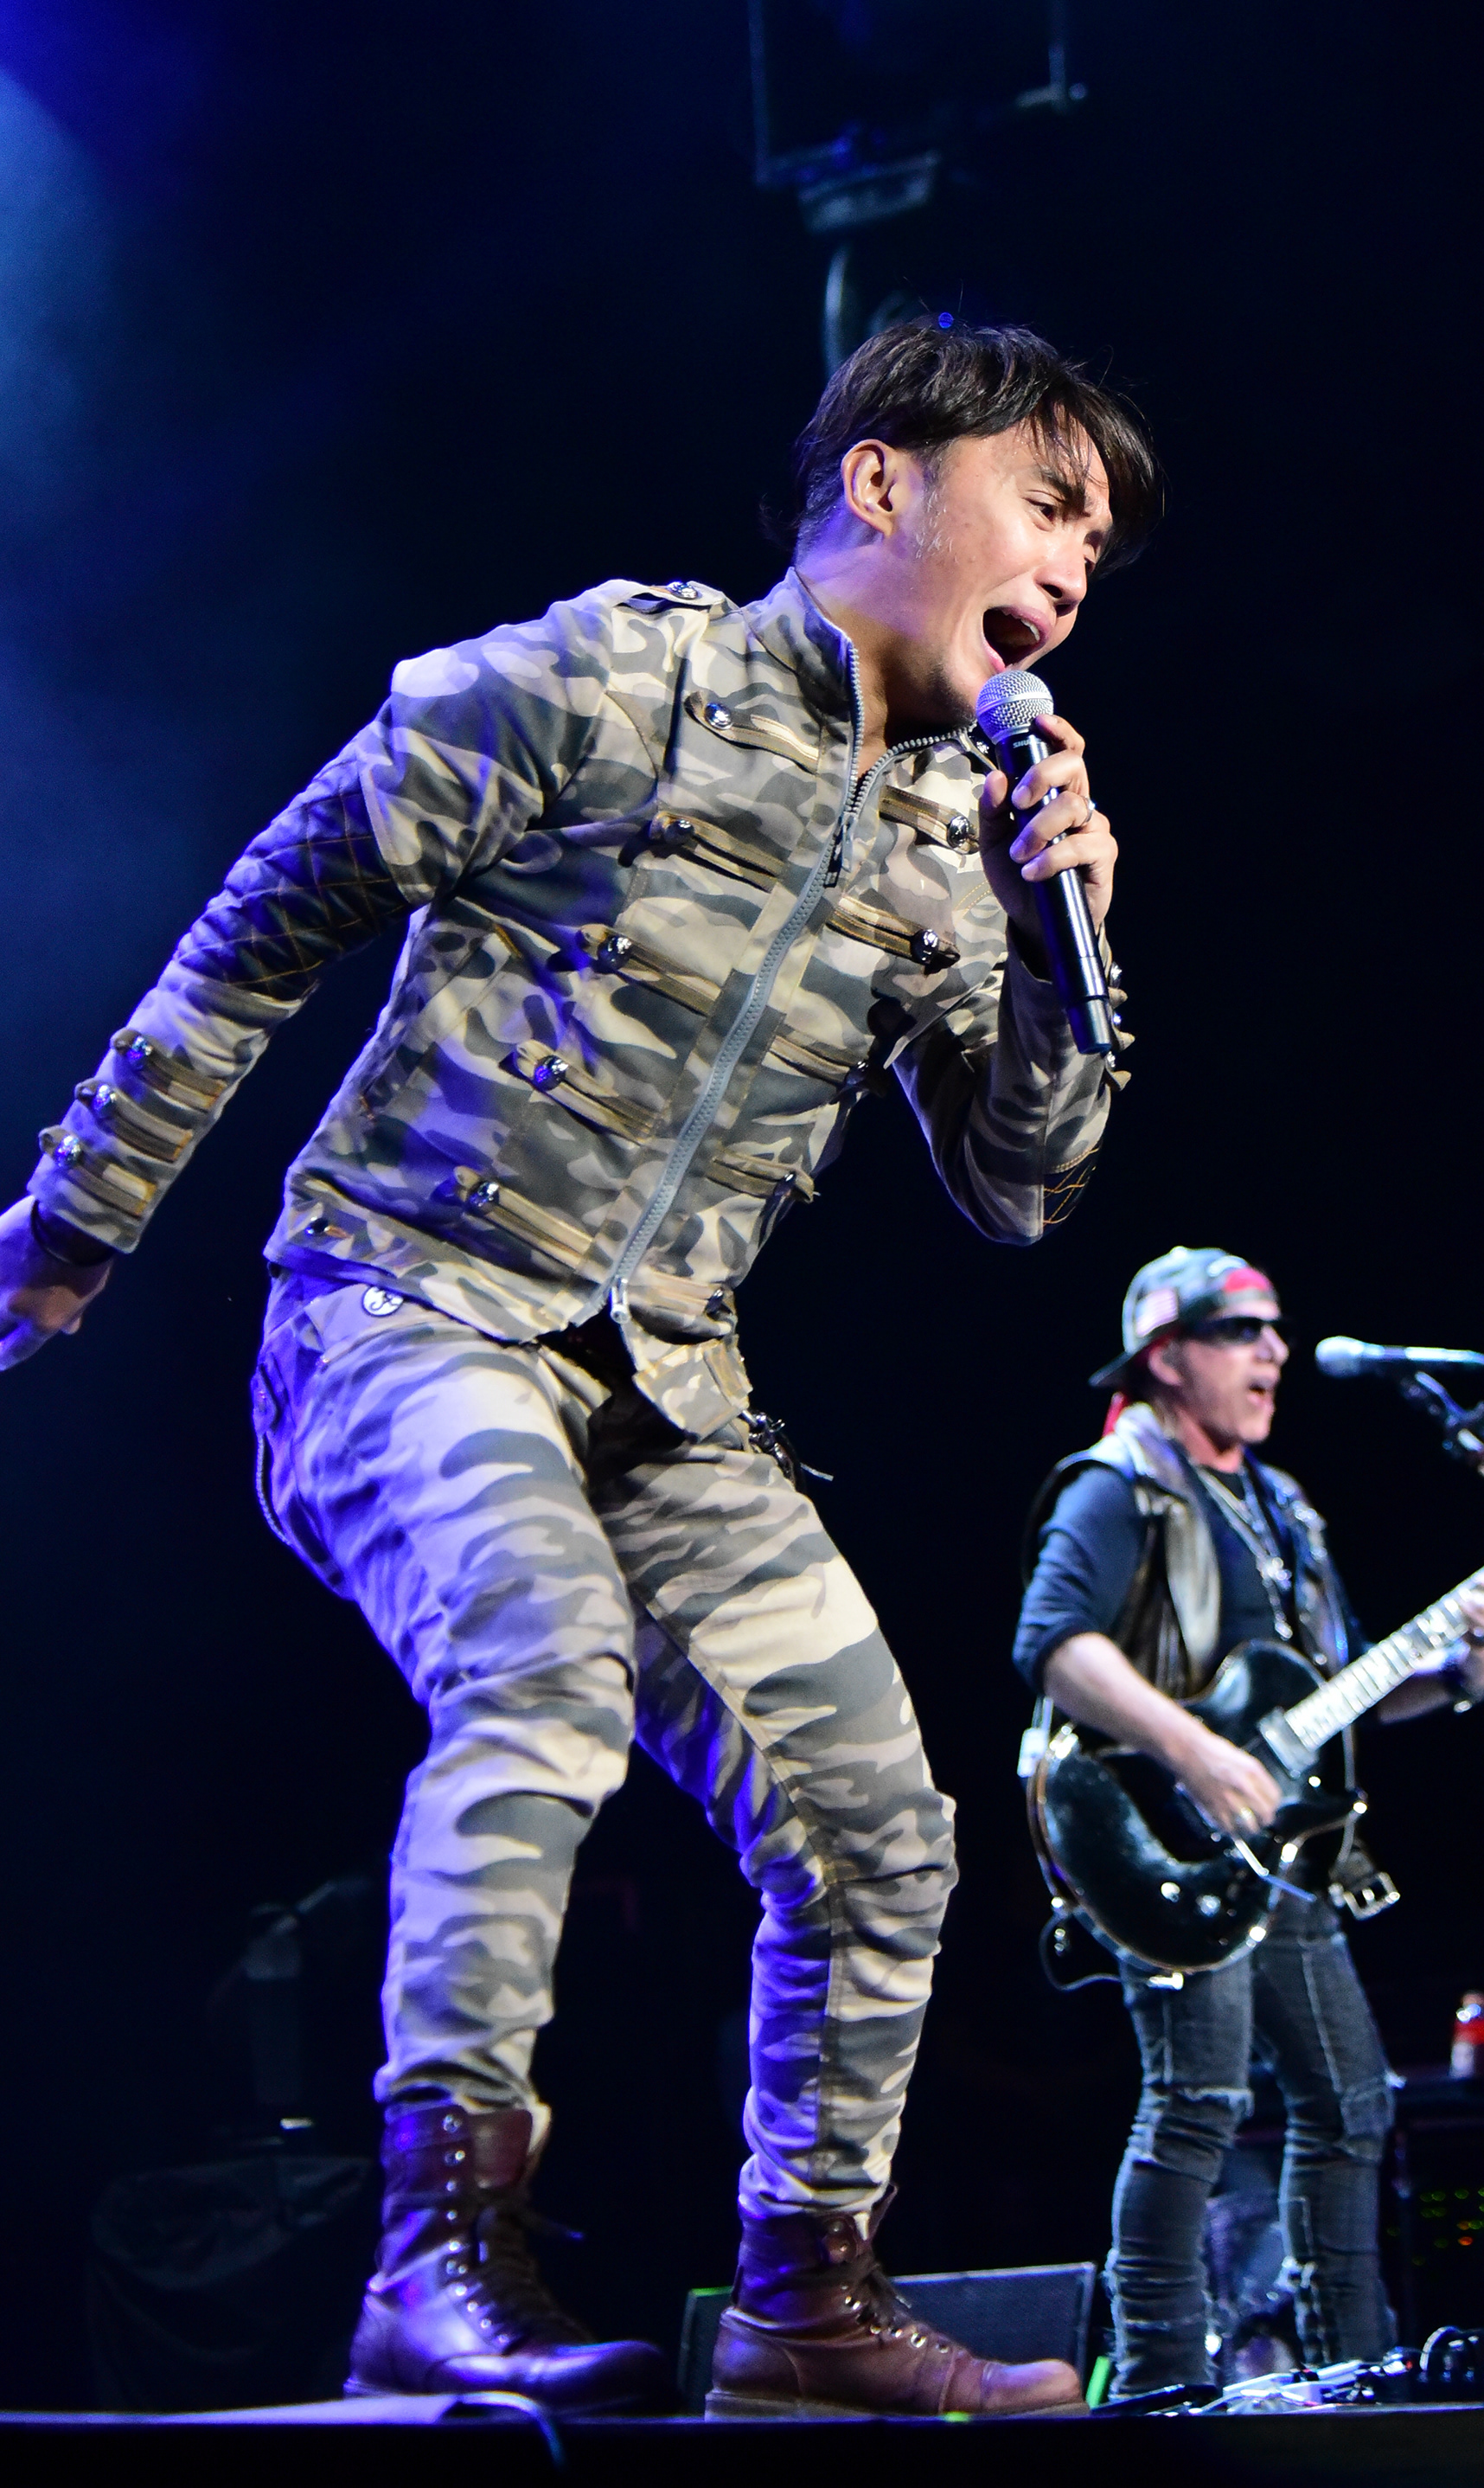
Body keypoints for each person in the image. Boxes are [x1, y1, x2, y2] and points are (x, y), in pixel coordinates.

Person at [0, 323, 1159, 2418]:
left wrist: (1061, 949)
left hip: (667, 1395)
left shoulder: (952, 842)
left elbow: (1019, 1194)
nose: (1076, 573)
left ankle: (809, 2302)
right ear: (883, 483)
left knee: (884, 1822)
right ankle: (438, 2252)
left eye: (1100, 551)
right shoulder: (614, 675)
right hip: (403, 1311)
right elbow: (276, 914)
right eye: (1049, 506)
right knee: (536, 1662)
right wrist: (81, 1215)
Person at [1013, 1245, 1484, 2399]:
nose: (1275, 1353)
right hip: (1158, 1834)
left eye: (1276, 1331)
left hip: (1282, 1852)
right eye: (1243, 1332)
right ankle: (1153, 2385)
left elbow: (1342, 1698)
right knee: (1197, 2102)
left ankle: (1354, 2373)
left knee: (1351, 2105)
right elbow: (1053, 1646)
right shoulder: (1117, 1486)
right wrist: (1192, 1750)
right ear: (1166, 1357)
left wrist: (1462, 1673)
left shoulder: (1283, 1506)